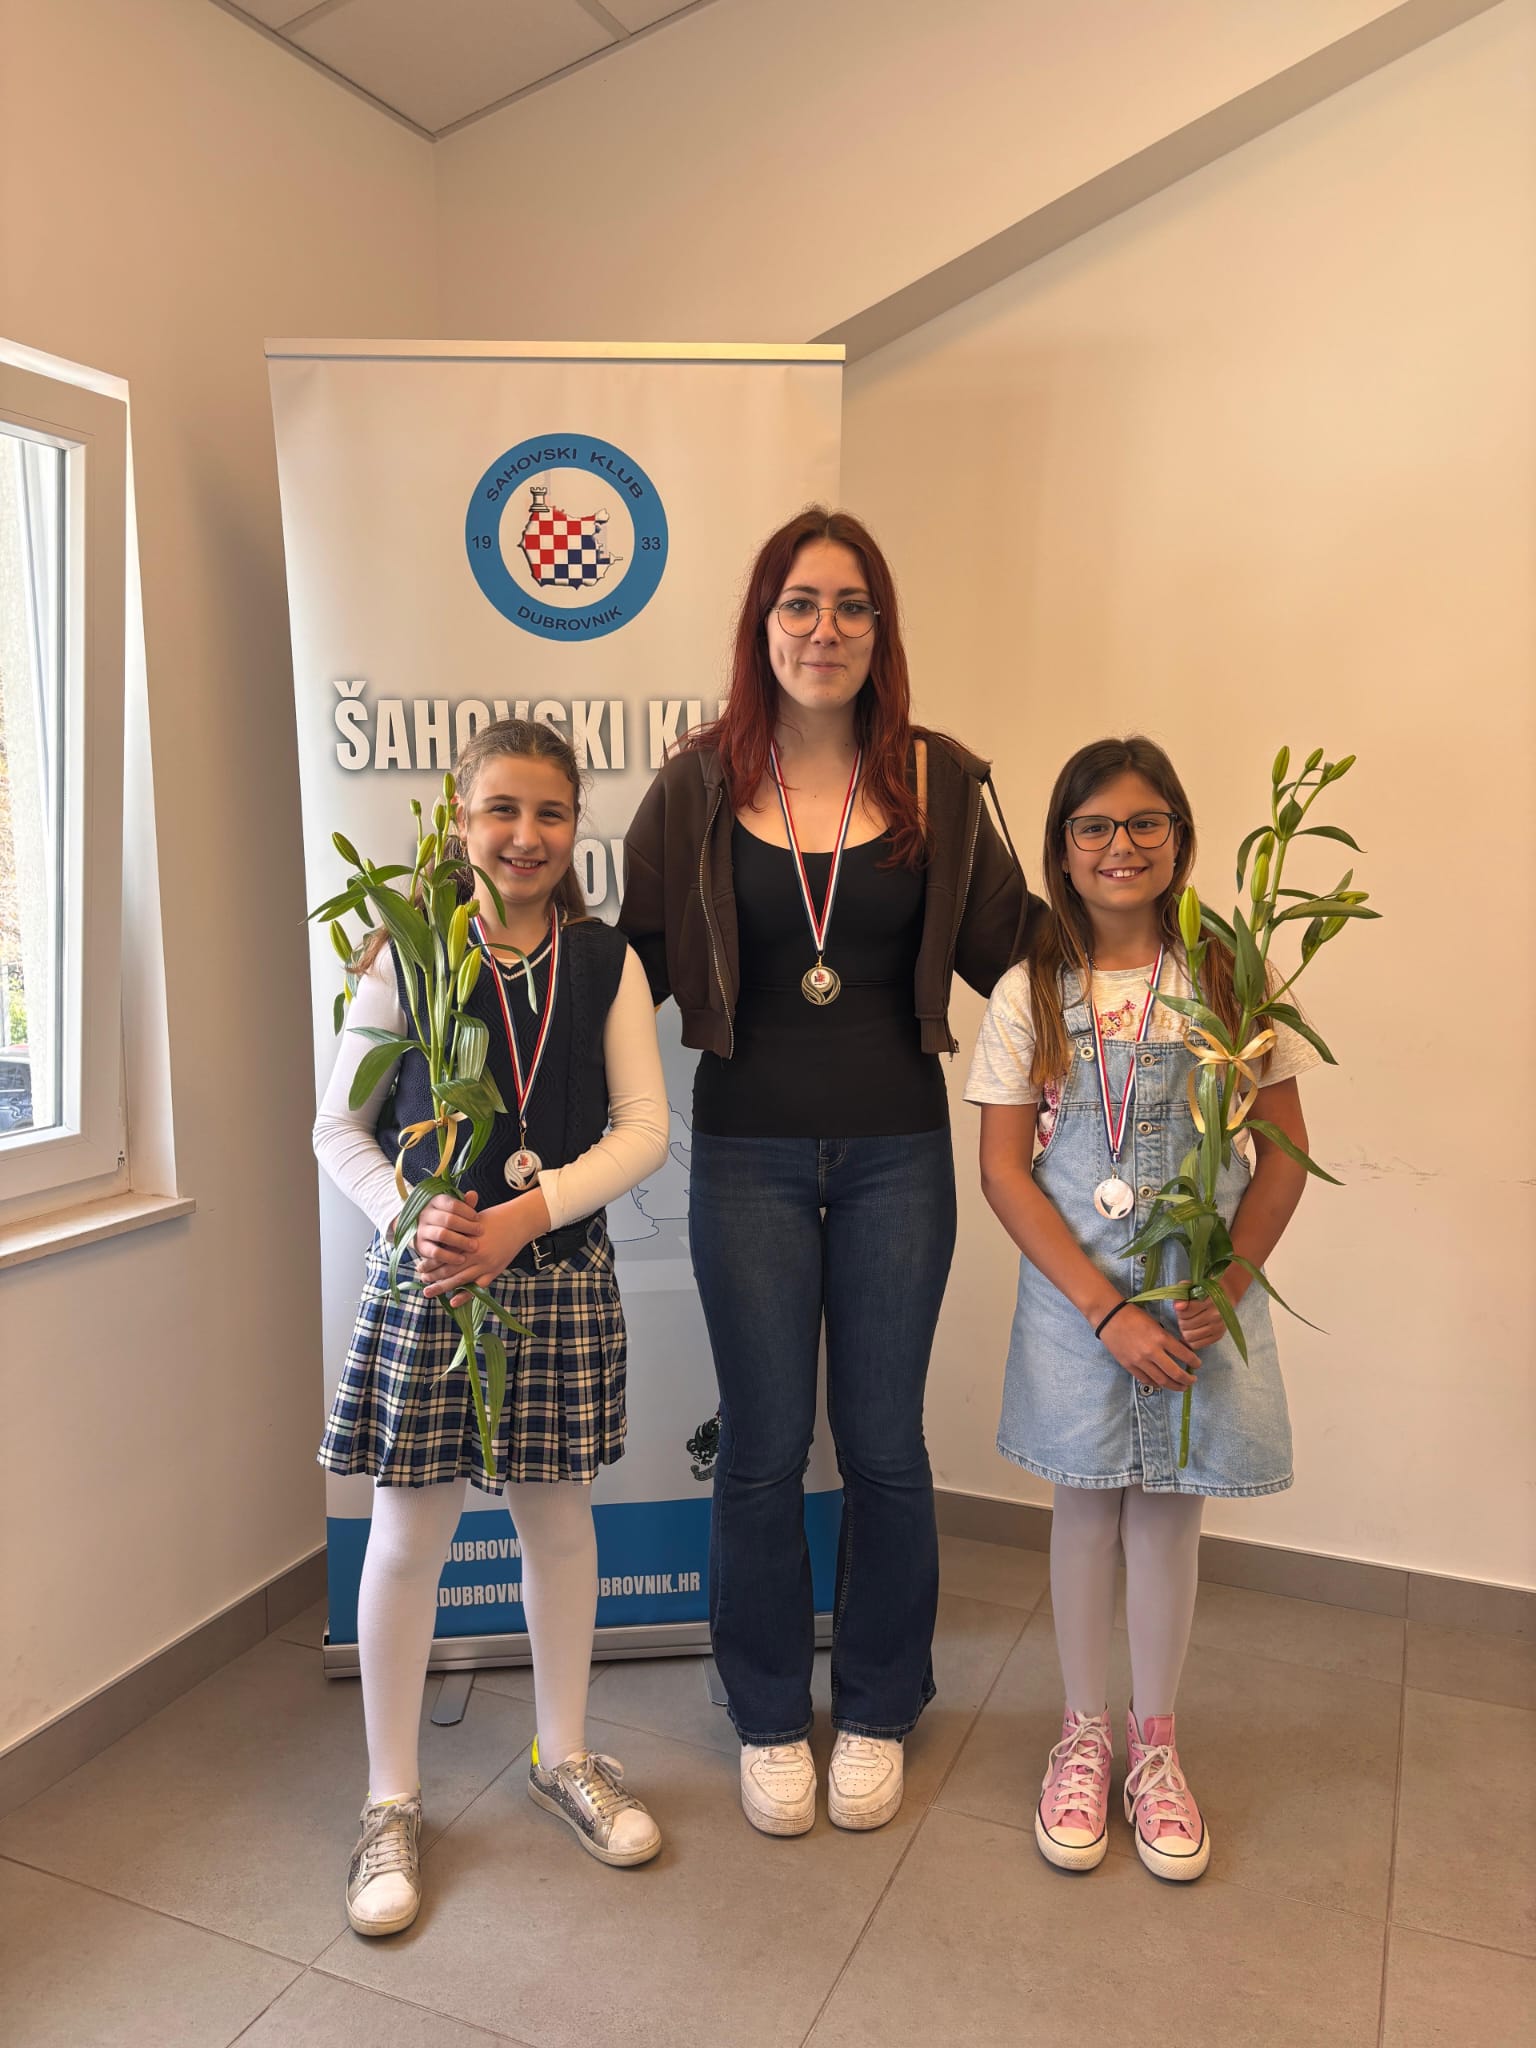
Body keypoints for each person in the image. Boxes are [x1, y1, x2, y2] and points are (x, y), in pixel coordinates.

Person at [619, 507, 1033, 1837]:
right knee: (759, 1445)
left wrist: (1164, 958)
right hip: (744, 1151)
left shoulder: (939, 780)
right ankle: (762, 1711)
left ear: (881, 629)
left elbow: (1018, 953)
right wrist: (480, 971)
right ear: (763, 624)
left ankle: (876, 1703)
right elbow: (622, 966)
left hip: (897, 1155)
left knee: (885, 1444)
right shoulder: (694, 785)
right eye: (799, 603)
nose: (825, 628)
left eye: (852, 605)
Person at [314, 718, 670, 1935]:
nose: (526, 835)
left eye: (551, 812)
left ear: (577, 826)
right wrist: (409, 1212)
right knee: (408, 1536)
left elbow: (643, 1128)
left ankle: (562, 1753)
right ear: (458, 820)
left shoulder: (606, 960)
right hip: (436, 1285)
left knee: (557, 1524)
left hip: (555, 1272)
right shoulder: (409, 950)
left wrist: (527, 1213)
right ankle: (390, 1797)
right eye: (502, 810)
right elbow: (339, 1126)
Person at [967, 735, 1318, 1881]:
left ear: (1180, 837)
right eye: (1095, 826)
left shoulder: (1233, 976)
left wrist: (1226, 1284)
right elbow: (1005, 1171)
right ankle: (1081, 1735)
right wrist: (1102, 1309)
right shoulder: (1030, 991)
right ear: (1062, 848)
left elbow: (1283, 1156)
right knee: (1084, 1507)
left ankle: (1155, 1747)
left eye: (1144, 822)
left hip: (1194, 1301)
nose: (1120, 845)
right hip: (1079, 1304)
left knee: (1168, 1511)